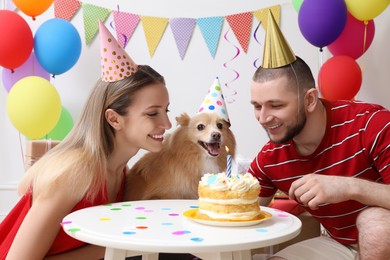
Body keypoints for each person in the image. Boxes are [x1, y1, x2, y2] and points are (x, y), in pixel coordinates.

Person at [0, 21, 172, 259]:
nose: (167, 124)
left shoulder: (121, 171)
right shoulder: (74, 173)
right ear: (114, 119)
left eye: (166, 111)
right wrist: (109, 248)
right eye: (153, 113)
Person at [249, 12, 390, 260]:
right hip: (339, 244)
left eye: (276, 105)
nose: (263, 118)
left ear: (310, 100)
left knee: (375, 225)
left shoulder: (372, 124)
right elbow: (243, 210)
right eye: (257, 106)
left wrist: (349, 187)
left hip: (381, 237)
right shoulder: (271, 158)